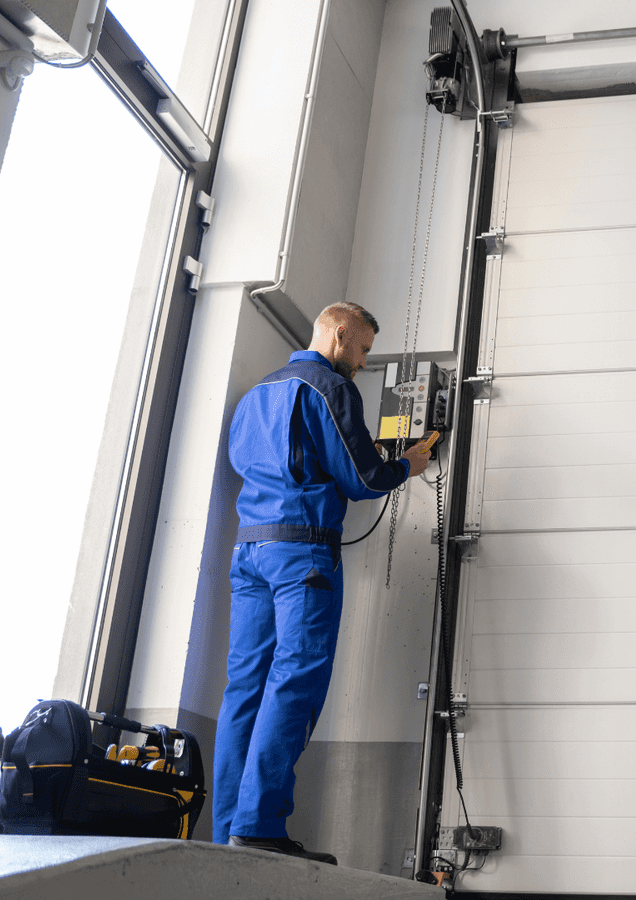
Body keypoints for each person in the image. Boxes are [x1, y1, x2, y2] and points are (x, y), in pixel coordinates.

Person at [214, 302, 432, 863]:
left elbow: (250, 461)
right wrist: (406, 464)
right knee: (295, 680)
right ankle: (258, 826)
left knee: (245, 688)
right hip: (302, 556)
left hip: (249, 551)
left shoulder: (255, 396)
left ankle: (227, 835)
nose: (363, 361)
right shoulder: (330, 388)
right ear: (338, 334)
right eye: (363, 349)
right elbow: (363, 479)